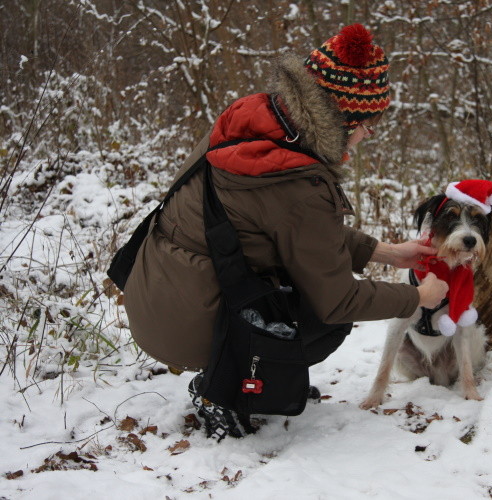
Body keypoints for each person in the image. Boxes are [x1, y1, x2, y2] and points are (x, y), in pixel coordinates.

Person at [123, 23, 448, 439]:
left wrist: (386, 252)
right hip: (188, 324)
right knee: (325, 319)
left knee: (303, 290)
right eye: (368, 124)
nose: (369, 135)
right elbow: (338, 300)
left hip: (155, 294)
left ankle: (263, 372)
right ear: (344, 120)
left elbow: (288, 231)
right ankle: (223, 391)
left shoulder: (252, 122)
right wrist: (418, 297)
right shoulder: (299, 182)